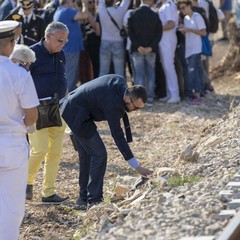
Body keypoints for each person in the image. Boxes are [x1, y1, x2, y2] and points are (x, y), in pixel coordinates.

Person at [60, 74, 153, 210]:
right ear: (128, 98)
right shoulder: (113, 103)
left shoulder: (119, 81)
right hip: (75, 113)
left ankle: (83, 199)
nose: (135, 111)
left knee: (87, 155)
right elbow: (117, 135)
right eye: (135, 107)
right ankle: (94, 200)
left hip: (75, 106)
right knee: (99, 154)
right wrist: (136, 166)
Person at [0, 20, 39, 240]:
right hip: (12, 142)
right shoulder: (18, 74)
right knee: (12, 206)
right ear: (12, 43)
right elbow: (31, 115)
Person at [26, 22, 69, 204]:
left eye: (65, 42)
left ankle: (48, 192)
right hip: (37, 109)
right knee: (40, 149)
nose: (62, 44)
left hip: (57, 107)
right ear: (48, 36)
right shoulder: (30, 54)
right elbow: (20, 82)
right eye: (59, 40)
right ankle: (25, 182)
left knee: (56, 152)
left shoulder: (61, 54)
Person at [128, 0, 162, 106]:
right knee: (150, 74)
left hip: (137, 49)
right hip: (151, 50)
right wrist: (151, 47)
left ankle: (139, 99)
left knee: (139, 74)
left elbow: (130, 32)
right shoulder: (155, 15)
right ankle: (150, 98)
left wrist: (138, 46)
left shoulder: (133, 14)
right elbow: (159, 33)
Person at [178, 0, 206, 104]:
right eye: (180, 8)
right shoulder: (185, 18)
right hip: (189, 49)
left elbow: (203, 32)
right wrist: (184, 30)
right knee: (198, 71)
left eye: (183, 7)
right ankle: (200, 93)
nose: (182, 10)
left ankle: (197, 96)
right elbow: (188, 34)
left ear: (189, 6)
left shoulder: (197, 17)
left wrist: (189, 30)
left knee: (192, 72)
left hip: (196, 49)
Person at [158, 0, 180, 103]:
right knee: (166, 67)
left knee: (169, 66)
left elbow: (171, 24)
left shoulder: (168, 5)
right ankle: (170, 94)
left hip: (168, 38)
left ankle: (175, 94)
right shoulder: (164, 5)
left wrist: (156, 28)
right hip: (164, 38)